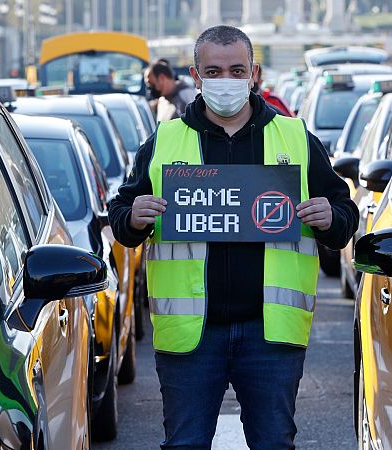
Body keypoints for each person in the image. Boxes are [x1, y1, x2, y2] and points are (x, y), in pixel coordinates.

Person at [109, 25, 359, 449]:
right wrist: (132, 218)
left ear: (254, 74)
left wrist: (330, 217)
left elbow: (345, 216)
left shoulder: (295, 138)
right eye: (214, 72)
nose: (226, 81)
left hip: (270, 335)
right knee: (184, 444)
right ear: (196, 76)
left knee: (273, 443)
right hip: (190, 336)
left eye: (237, 70)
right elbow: (121, 216)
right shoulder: (164, 142)